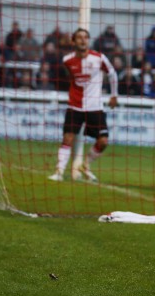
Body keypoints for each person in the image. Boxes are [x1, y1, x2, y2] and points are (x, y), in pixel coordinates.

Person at [48, 28, 118, 183]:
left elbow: (112, 73)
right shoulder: (67, 60)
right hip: (75, 106)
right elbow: (66, 77)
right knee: (67, 138)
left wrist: (114, 95)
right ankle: (59, 172)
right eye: (79, 37)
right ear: (73, 41)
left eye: (85, 37)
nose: (82, 40)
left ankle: (85, 165)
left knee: (103, 141)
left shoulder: (99, 58)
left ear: (88, 40)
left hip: (95, 107)